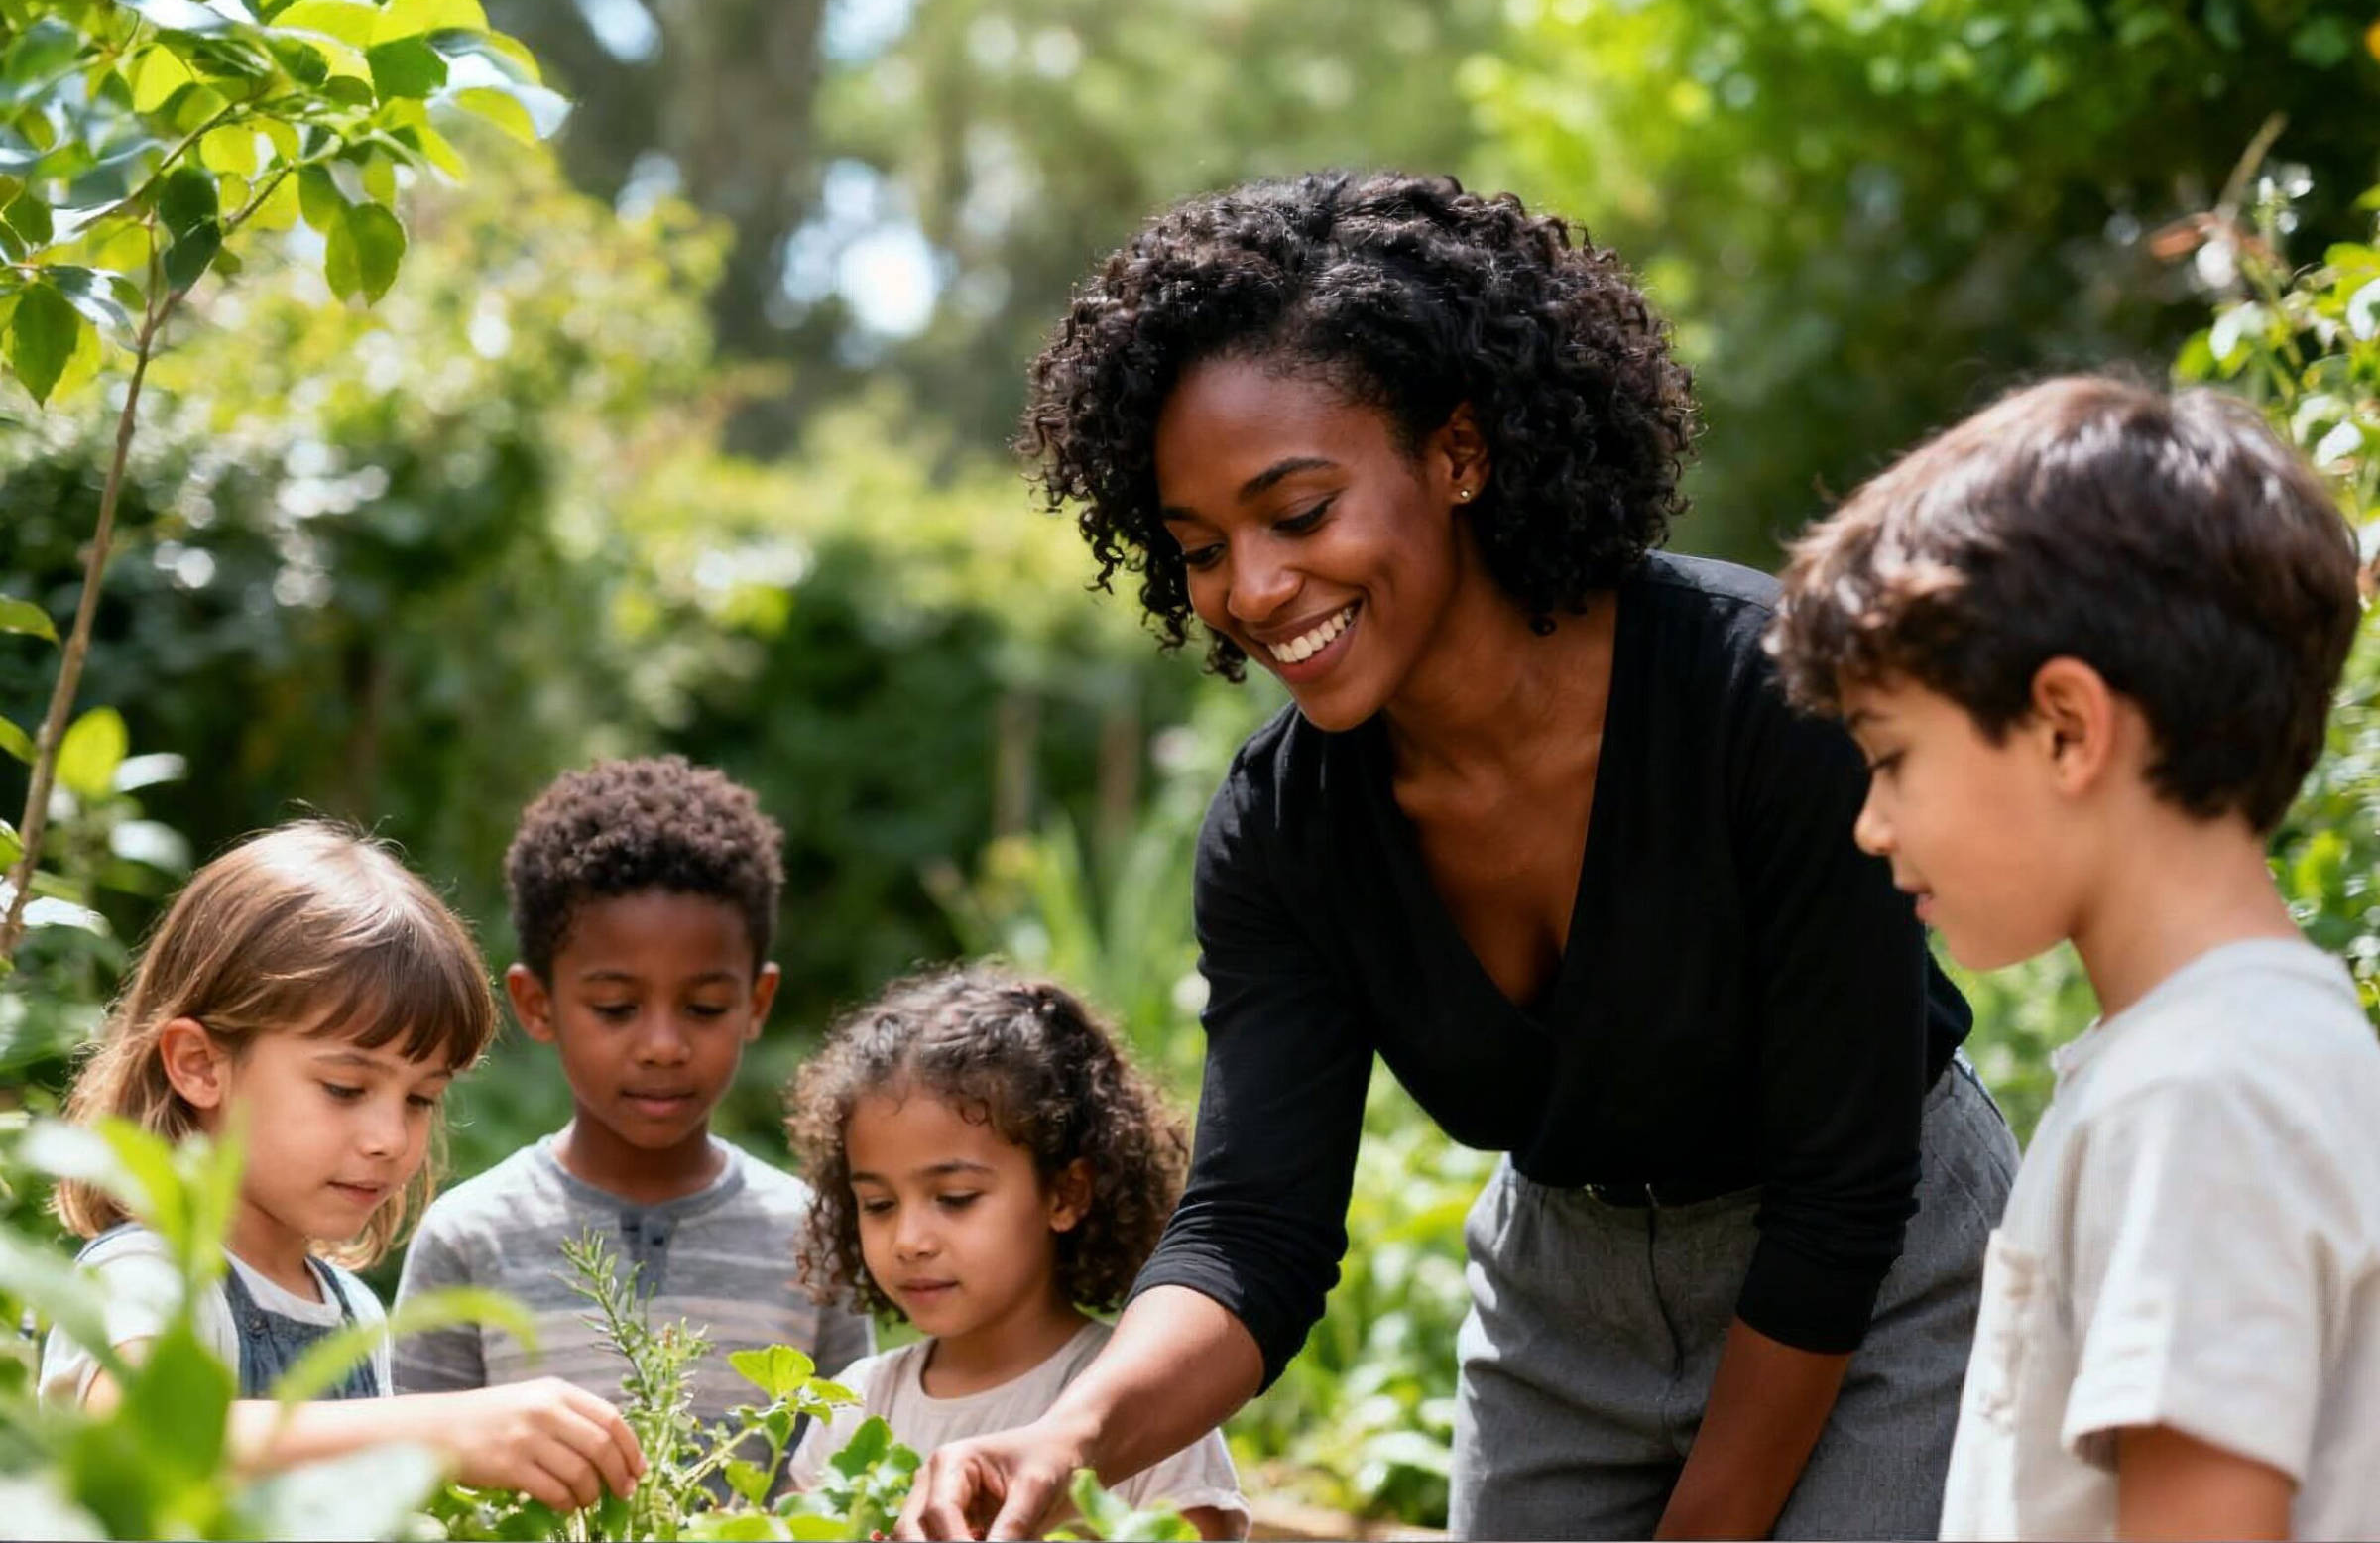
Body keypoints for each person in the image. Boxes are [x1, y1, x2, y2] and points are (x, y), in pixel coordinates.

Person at [899, 170, 2017, 1542]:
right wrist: (1068, 1433)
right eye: (1200, 547)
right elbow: (1258, 1228)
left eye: (1299, 513)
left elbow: (1843, 1197)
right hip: (1569, 1310)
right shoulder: (1285, 833)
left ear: (1461, 452)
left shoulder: (1768, 701)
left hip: (1883, 1274)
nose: (1251, 590)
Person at [1766, 374, 2380, 1540]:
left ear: (2066, 726)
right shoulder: (2218, 1059)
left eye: (1892, 758)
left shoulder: (2203, 1095)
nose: (1870, 823)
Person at [41, 821, 645, 1512]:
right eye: (345, 1089)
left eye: (421, 1098)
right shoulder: (147, 1274)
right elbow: (140, 1440)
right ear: (200, 1066)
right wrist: (440, 1429)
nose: (390, 1138)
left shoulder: (353, 1313)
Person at [396, 756, 871, 1426]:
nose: (663, 1045)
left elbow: (844, 1476)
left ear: (757, 1002)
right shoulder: (471, 1237)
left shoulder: (814, 1240)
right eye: (616, 1008)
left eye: (704, 1008)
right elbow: (416, 1478)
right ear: (537, 1005)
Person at [784, 966, 1248, 1540]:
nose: (909, 1240)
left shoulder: (1145, 1400)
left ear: (1065, 1192)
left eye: (955, 1199)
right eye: (878, 1204)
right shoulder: (853, 1403)